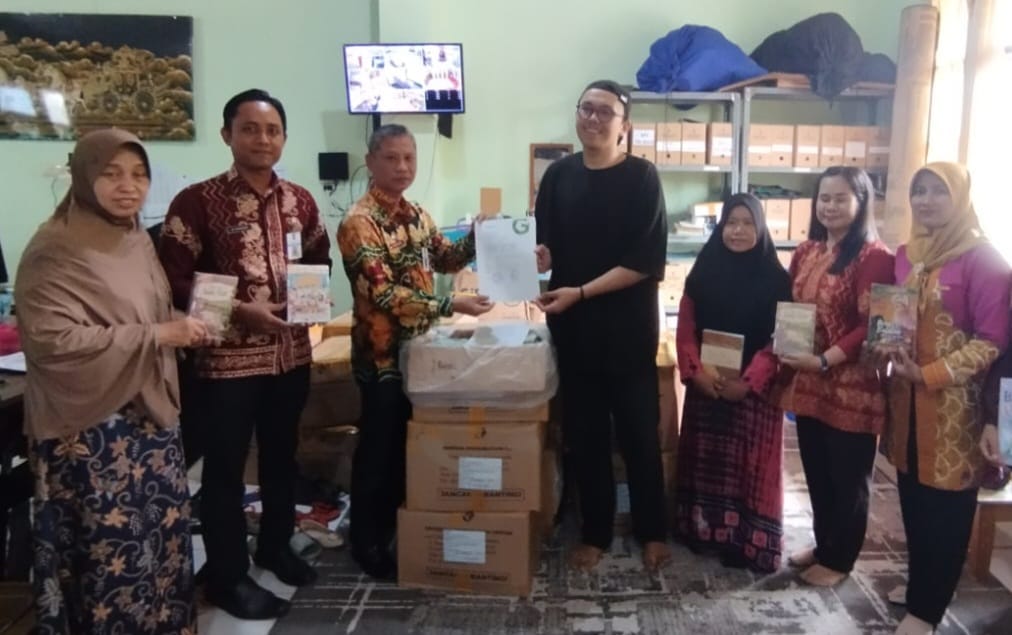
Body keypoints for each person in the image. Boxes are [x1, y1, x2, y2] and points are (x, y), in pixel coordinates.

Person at [15, 129, 205, 633]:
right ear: (84, 177)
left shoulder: (135, 238)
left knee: (160, 542)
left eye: (139, 175)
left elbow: (147, 312)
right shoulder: (54, 249)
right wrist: (159, 334)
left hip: (150, 418)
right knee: (109, 555)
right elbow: (52, 341)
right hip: (92, 430)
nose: (129, 186)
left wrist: (184, 326)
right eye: (112, 173)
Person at [159, 89, 331, 619]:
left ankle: (274, 547)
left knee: (282, 460)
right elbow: (171, 279)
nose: (262, 139)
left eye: (272, 130)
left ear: (284, 138)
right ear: (227, 134)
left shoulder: (300, 201)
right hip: (225, 364)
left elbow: (319, 260)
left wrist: (311, 297)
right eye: (250, 129)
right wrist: (239, 311)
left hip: (290, 356)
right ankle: (227, 577)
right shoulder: (196, 201)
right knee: (225, 471)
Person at [336, 123, 492, 580]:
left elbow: (447, 259)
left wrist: (478, 236)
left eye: (409, 158)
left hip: (423, 355)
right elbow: (384, 294)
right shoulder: (358, 223)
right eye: (391, 158)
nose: (402, 167)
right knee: (378, 449)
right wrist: (451, 304)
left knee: (410, 444)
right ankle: (365, 542)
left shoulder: (418, 215)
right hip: (382, 358)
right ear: (371, 162)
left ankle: (395, 526)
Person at [533, 79, 670, 572]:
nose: (593, 118)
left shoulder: (642, 178)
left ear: (624, 126)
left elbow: (644, 262)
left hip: (628, 333)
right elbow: (547, 249)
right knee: (586, 436)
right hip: (575, 332)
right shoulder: (558, 176)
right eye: (586, 109)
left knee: (638, 435)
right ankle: (595, 531)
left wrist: (582, 291)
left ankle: (653, 530)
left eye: (605, 112)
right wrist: (533, 256)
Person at [877, 163, 1010, 635]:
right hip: (906, 405)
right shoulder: (907, 254)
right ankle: (924, 586)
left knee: (947, 511)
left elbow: (993, 342)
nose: (925, 201)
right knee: (913, 499)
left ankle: (928, 610)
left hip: (958, 411)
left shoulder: (985, 261)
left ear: (961, 198)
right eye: (919, 191)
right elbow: (893, 319)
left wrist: (929, 373)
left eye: (938, 192)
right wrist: (884, 346)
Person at [777, 166, 894, 586]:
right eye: (824, 198)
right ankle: (825, 544)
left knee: (848, 478)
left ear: (862, 202)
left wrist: (826, 359)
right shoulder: (807, 250)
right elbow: (792, 307)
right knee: (817, 471)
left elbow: (873, 324)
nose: (829, 206)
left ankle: (841, 560)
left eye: (841, 198)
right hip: (809, 382)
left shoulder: (875, 256)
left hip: (851, 385)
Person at [674, 193, 792, 572]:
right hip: (708, 387)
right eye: (731, 222)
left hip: (755, 394)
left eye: (747, 223)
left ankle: (748, 542)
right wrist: (695, 372)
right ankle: (706, 532)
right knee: (708, 463)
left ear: (760, 228)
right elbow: (686, 328)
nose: (738, 231)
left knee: (750, 469)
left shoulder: (778, 280)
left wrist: (750, 380)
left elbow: (782, 340)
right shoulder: (703, 272)